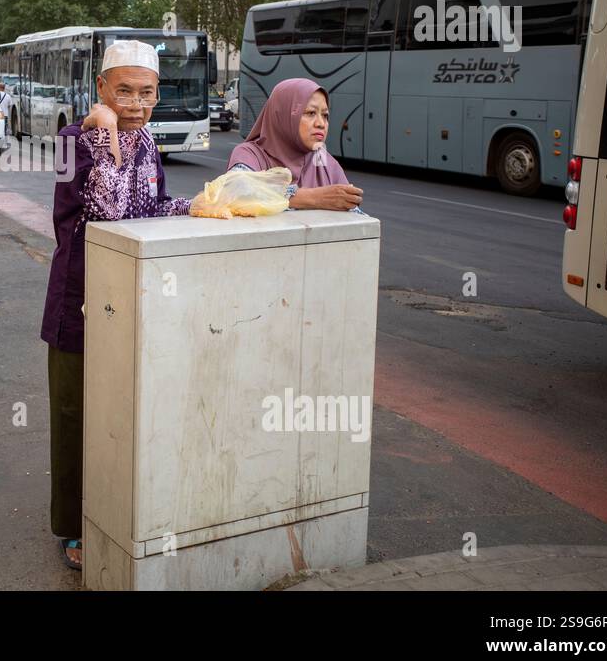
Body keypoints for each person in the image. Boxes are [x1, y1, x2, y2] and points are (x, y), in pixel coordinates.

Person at [40, 40, 194, 573]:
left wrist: (202, 207)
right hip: (78, 302)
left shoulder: (148, 143)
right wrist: (104, 137)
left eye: (146, 92)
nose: (135, 103)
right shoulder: (70, 142)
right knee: (75, 414)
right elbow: (109, 210)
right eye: (123, 91)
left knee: (121, 414)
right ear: (101, 89)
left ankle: (116, 511)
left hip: (129, 299)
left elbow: (150, 207)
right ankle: (73, 525)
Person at [227, 78, 364, 212]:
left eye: (325, 115)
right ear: (282, 115)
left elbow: (356, 218)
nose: (321, 123)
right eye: (311, 113)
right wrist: (315, 198)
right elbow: (237, 192)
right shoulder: (250, 155)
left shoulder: (325, 163)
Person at [0, 80, 14, 145]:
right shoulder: (8, 96)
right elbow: (10, 105)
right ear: (4, 88)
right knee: (4, 129)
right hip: (5, 114)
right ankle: (5, 142)